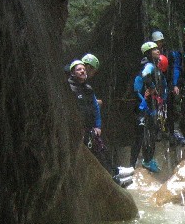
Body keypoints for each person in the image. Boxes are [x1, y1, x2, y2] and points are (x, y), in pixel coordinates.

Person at [67, 59, 133, 187]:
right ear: (73, 73)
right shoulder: (70, 89)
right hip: (80, 129)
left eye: (83, 69)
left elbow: (95, 109)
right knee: (94, 156)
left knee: (102, 151)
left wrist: (97, 125)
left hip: (90, 129)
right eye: (79, 70)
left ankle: (114, 175)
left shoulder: (87, 89)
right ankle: (110, 180)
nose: (82, 71)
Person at [131, 41, 166, 173]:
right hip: (142, 105)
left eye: (158, 49)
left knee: (151, 131)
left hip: (149, 105)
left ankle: (147, 160)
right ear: (148, 53)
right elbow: (145, 76)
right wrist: (153, 88)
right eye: (154, 49)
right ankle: (133, 164)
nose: (158, 51)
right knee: (141, 135)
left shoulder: (154, 66)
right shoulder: (149, 66)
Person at [151, 30, 185, 145]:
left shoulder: (168, 54)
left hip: (167, 84)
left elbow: (173, 69)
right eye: (156, 42)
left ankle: (171, 131)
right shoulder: (150, 56)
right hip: (155, 85)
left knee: (169, 107)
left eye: (160, 42)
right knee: (156, 108)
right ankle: (158, 130)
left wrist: (174, 84)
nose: (159, 44)